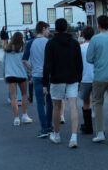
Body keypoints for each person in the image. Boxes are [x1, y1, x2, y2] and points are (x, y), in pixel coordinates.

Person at [43, 18, 83, 148]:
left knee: (56, 106)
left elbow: (47, 65)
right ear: (67, 28)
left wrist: (45, 83)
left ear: (56, 28)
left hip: (56, 78)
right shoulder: (74, 43)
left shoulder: (51, 43)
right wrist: (79, 79)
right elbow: (79, 64)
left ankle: (56, 134)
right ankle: (74, 137)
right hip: (72, 78)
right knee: (73, 106)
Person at [87, 15, 108, 146]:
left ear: (98, 25)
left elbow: (89, 58)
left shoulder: (95, 39)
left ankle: (100, 133)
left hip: (100, 75)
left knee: (98, 103)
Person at [23, 21, 52, 137]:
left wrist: (32, 69)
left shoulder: (30, 42)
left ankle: (43, 128)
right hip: (48, 75)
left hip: (36, 74)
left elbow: (24, 60)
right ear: (44, 29)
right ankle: (50, 126)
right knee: (50, 101)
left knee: (40, 102)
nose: (49, 32)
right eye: (48, 29)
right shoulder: (49, 42)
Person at [3, 32, 32, 126]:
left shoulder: (7, 50)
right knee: (24, 95)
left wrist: (5, 75)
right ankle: (24, 115)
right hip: (21, 75)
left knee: (13, 97)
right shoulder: (23, 49)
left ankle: (16, 118)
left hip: (10, 75)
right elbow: (27, 63)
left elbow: (4, 64)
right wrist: (29, 75)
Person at [79, 26, 95, 134]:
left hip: (84, 78)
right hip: (96, 77)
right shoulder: (96, 46)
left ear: (83, 35)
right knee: (97, 102)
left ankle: (87, 126)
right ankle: (100, 127)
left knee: (85, 102)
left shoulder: (80, 48)